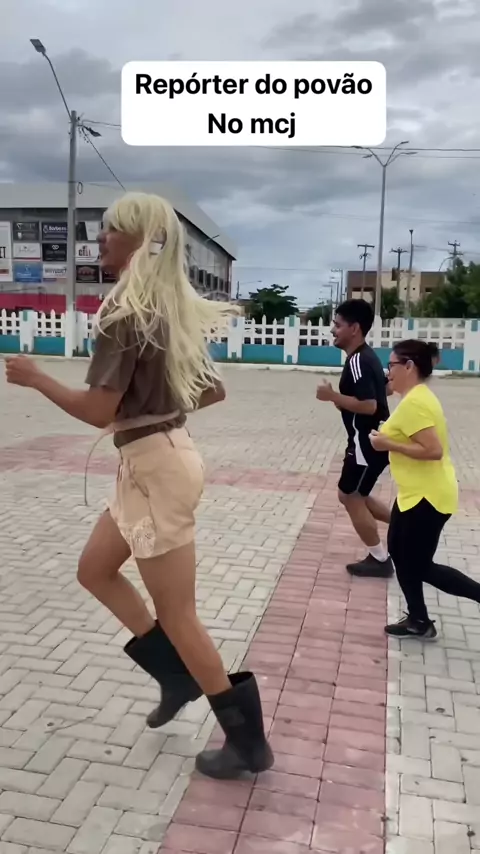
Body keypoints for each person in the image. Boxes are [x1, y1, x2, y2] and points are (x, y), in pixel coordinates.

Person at [5, 191, 274, 780]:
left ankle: (246, 741)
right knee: (94, 570)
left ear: (137, 240)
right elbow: (213, 391)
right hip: (152, 462)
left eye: (110, 230)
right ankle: (174, 676)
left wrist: (36, 378)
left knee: (178, 614)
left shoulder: (127, 312)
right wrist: (156, 410)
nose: (99, 239)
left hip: (157, 469)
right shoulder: (161, 309)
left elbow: (98, 410)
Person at [370, 339, 480, 638]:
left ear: (409, 366)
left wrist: (386, 443)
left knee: (419, 565)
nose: (388, 372)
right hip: (413, 494)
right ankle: (418, 620)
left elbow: (433, 450)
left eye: (392, 365)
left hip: (428, 497)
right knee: (399, 552)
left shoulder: (416, 402)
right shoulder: (415, 397)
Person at [316, 299, 393, 578]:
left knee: (351, 497)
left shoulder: (359, 360)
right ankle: (405, 527)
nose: (332, 330)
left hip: (366, 443)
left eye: (337, 325)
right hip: (367, 442)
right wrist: (342, 402)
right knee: (350, 494)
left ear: (355, 328)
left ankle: (380, 559)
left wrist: (332, 396)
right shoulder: (363, 357)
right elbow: (384, 392)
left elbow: (370, 405)